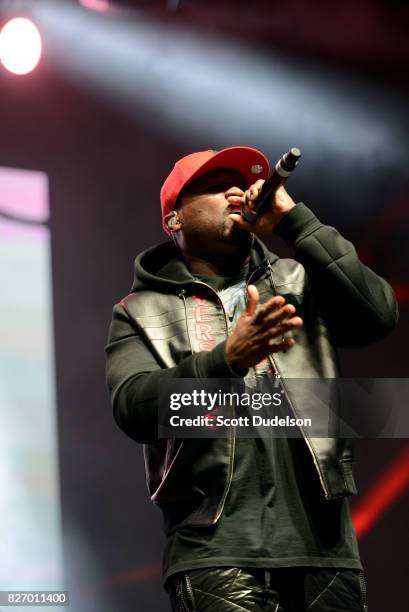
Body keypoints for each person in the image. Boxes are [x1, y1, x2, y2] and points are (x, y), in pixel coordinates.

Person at [105, 146, 398, 611]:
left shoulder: (299, 280)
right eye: (216, 186)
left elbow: (378, 315)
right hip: (216, 553)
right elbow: (135, 409)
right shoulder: (140, 311)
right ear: (174, 219)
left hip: (325, 551)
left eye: (241, 182)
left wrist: (294, 221)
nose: (237, 191)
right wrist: (224, 361)